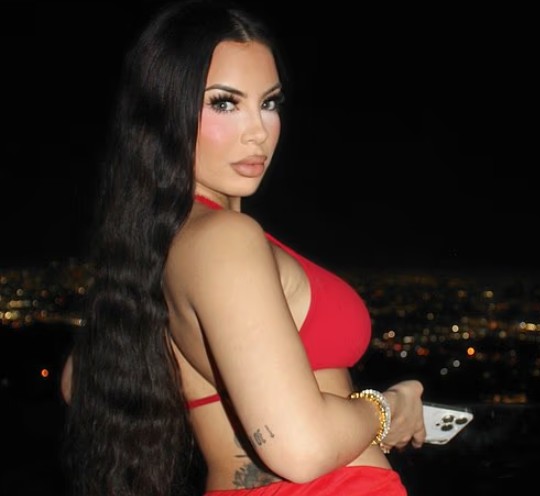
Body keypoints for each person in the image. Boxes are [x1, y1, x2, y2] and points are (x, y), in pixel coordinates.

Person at [60, 1, 427, 495]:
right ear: (165, 112)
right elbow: (300, 448)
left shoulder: (154, 249)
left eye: (269, 103)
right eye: (224, 103)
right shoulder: (222, 240)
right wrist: (388, 408)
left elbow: (79, 383)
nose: (258, 132)